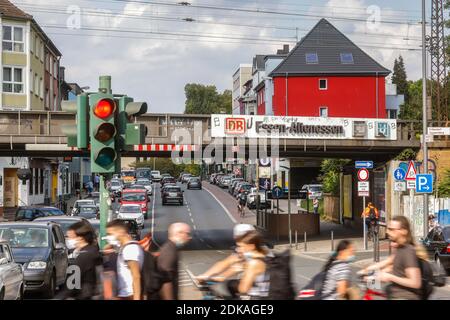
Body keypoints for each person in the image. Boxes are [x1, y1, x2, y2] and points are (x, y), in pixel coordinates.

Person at [359, 216, 422, 300]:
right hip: (393, 294)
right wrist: (369, 275)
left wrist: (389, 277)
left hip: (404, 297)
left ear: (403, 231)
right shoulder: (399, 249)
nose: (388, 232)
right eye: (388, 229)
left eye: (392, 229)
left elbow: (415, 282)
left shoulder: (408, 251)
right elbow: (391, 268)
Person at [62, 221, 102, 300]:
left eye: (70, 237)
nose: (68, 239)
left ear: (80, 238)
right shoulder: (94, 251)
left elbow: (71, 285)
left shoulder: (82, 257)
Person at [106, 219, 144, 300]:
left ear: (121, 232)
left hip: (129, 295)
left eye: (110, 234)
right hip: (123, 294)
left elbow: (136, 276)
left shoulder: (130, 249)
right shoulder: (123, 247)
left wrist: (136, 298)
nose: (108, 237)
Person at [157, 223, 192, 300]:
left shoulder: (171, 248)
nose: (190, 237)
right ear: (179, 233)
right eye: (187, 234)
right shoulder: (170, 251)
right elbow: (165, 281)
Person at [235, 231, 270, 299]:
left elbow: (243, 289)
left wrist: (244, 273)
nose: (238, 249)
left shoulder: (254, 263)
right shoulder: (265, 255)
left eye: (241, 246)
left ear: (251, 246)